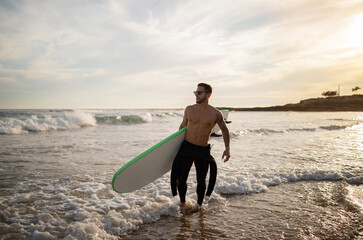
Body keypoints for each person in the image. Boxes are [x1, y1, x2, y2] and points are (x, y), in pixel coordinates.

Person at [170, 83, 230, 212]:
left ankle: (199, 206)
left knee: (201, 181)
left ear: (208, 94)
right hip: (186, 148)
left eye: (199, 92)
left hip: (202, 150)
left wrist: (227, 149)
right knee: (181, 180)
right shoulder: (189, 109)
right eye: (195, 92)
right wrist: (174, 147)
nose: (196, 95)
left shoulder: (215, 114)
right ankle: (183, 203)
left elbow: (225, 130)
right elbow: (182, 128)